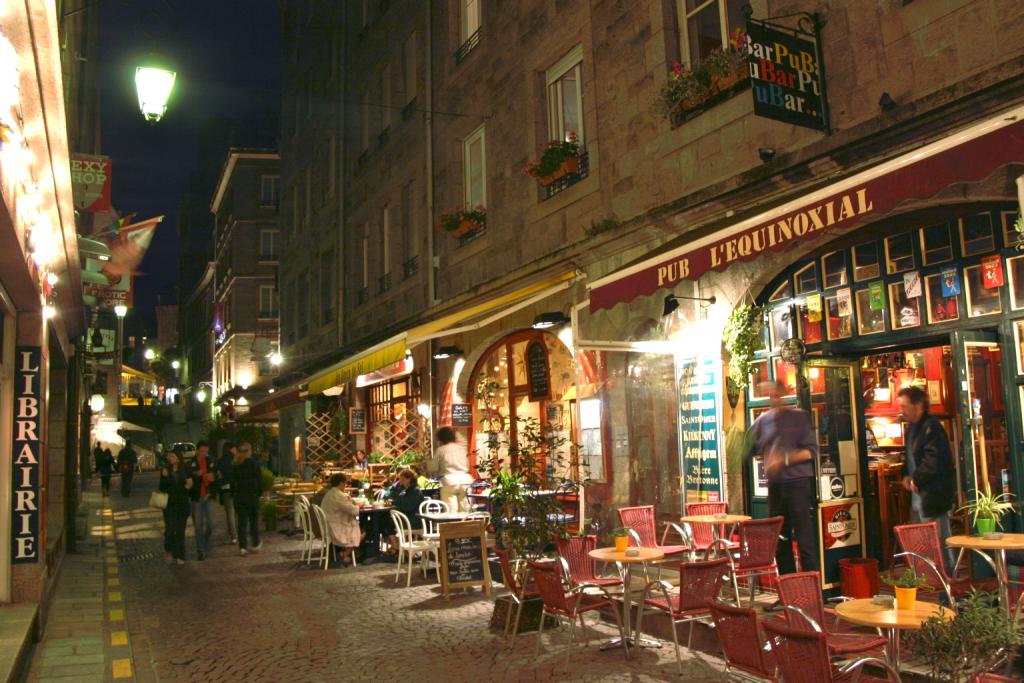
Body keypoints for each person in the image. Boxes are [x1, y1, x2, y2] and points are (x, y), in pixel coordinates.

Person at [748, 380, 819, 609]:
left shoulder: (799, 418)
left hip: (799, 484)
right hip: (776, 486)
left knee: (805, 540)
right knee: (781, 541)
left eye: (775, 393)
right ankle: (788, 597)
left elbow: (812, 451)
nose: (772, 398)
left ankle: (811, 596)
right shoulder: (763, 421)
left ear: (783, 393)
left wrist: (784, 459)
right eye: (768, 394)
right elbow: (747, 447)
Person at [898, 385, 956, 571]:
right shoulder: (913, 428)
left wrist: (917, 480)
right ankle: (928, 580)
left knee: (939, 540)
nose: (902, 411)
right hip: (919, 496)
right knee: (920, 542)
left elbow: (933, 460)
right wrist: (906, 476)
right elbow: (910, 457)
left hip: (933, 494)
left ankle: (948, 581)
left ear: (918, 405)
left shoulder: (931, 427)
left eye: (905, 406)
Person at [321, 473, 362, 566]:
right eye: (345, 483)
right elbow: (353, 511)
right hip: (335, 526)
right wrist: (358, 506)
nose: (346, 485)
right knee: (363, 529)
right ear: (341, 483)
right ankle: (344, 554)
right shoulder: (338, 495)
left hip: (329, 523)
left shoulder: (330, 493)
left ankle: (344, 553)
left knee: (359, 526)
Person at [230, 442, 263, 556]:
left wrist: (234, 494)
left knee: (242, 522)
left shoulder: (235, 464)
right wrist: (259, 492)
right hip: (252, 496)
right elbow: (259, 480)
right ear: (248, 451)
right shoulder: (253, 464)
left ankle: (243, 547)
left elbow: (232, 483)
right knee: (253, 521)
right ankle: (255, 543)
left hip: (239, 497)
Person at [160, 450, 192, 565]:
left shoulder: (185, 469)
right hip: (169, 505)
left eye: (172, 456)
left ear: (178, 458)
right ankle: (169, 549)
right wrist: (164, 477)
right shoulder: (165, 470)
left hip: (182, 504)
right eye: (169, 456)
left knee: (180, 531)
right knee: (170, 530)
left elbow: (189, 484)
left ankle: (180, 555)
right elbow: (161, 488)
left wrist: (189, 486)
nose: (170, 458)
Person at [186, 440, 217, 560]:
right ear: (197, 450)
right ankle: (201, 550)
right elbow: (187, 480)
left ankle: (204, 543)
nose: (205, 453)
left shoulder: (210, 462)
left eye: (206, 451)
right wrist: (196, 475)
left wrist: (213, 478)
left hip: (208, 496)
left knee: (210, 525)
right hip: (196, 498)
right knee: (198, 526)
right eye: (202, 451)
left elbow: (216, 476)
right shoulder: (190, 464)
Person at [385, 468, 425, 555]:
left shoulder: (415, 491)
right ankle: (396, 546)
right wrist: (393, 503)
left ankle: (396, 547)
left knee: (387, 522)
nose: (400, 481)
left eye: (402, 479)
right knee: (385, 520)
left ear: (409, 479)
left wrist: (394, 505)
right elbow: (401, 502)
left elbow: (408, 507)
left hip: (414, 520)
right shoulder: (406, 490)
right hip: (408, 517)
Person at [433, 427, 473, 512]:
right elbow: (467, 465)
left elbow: (433, 468)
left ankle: (453, 524)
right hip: (465, 481)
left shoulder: (441, 450)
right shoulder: (462, 449)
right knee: (465, 511)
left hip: (449, 481)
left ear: (440, 439)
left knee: (451, 512)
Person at [216, 441, 238, 543]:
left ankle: (233, 535)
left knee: (230, 512)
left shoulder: (220, 461)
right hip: (236, 487)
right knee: (237, 511)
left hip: (225, 488)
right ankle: (238, 532)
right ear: (231, 449)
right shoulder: (235, 459)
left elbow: (219, 476)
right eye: (234, 448)